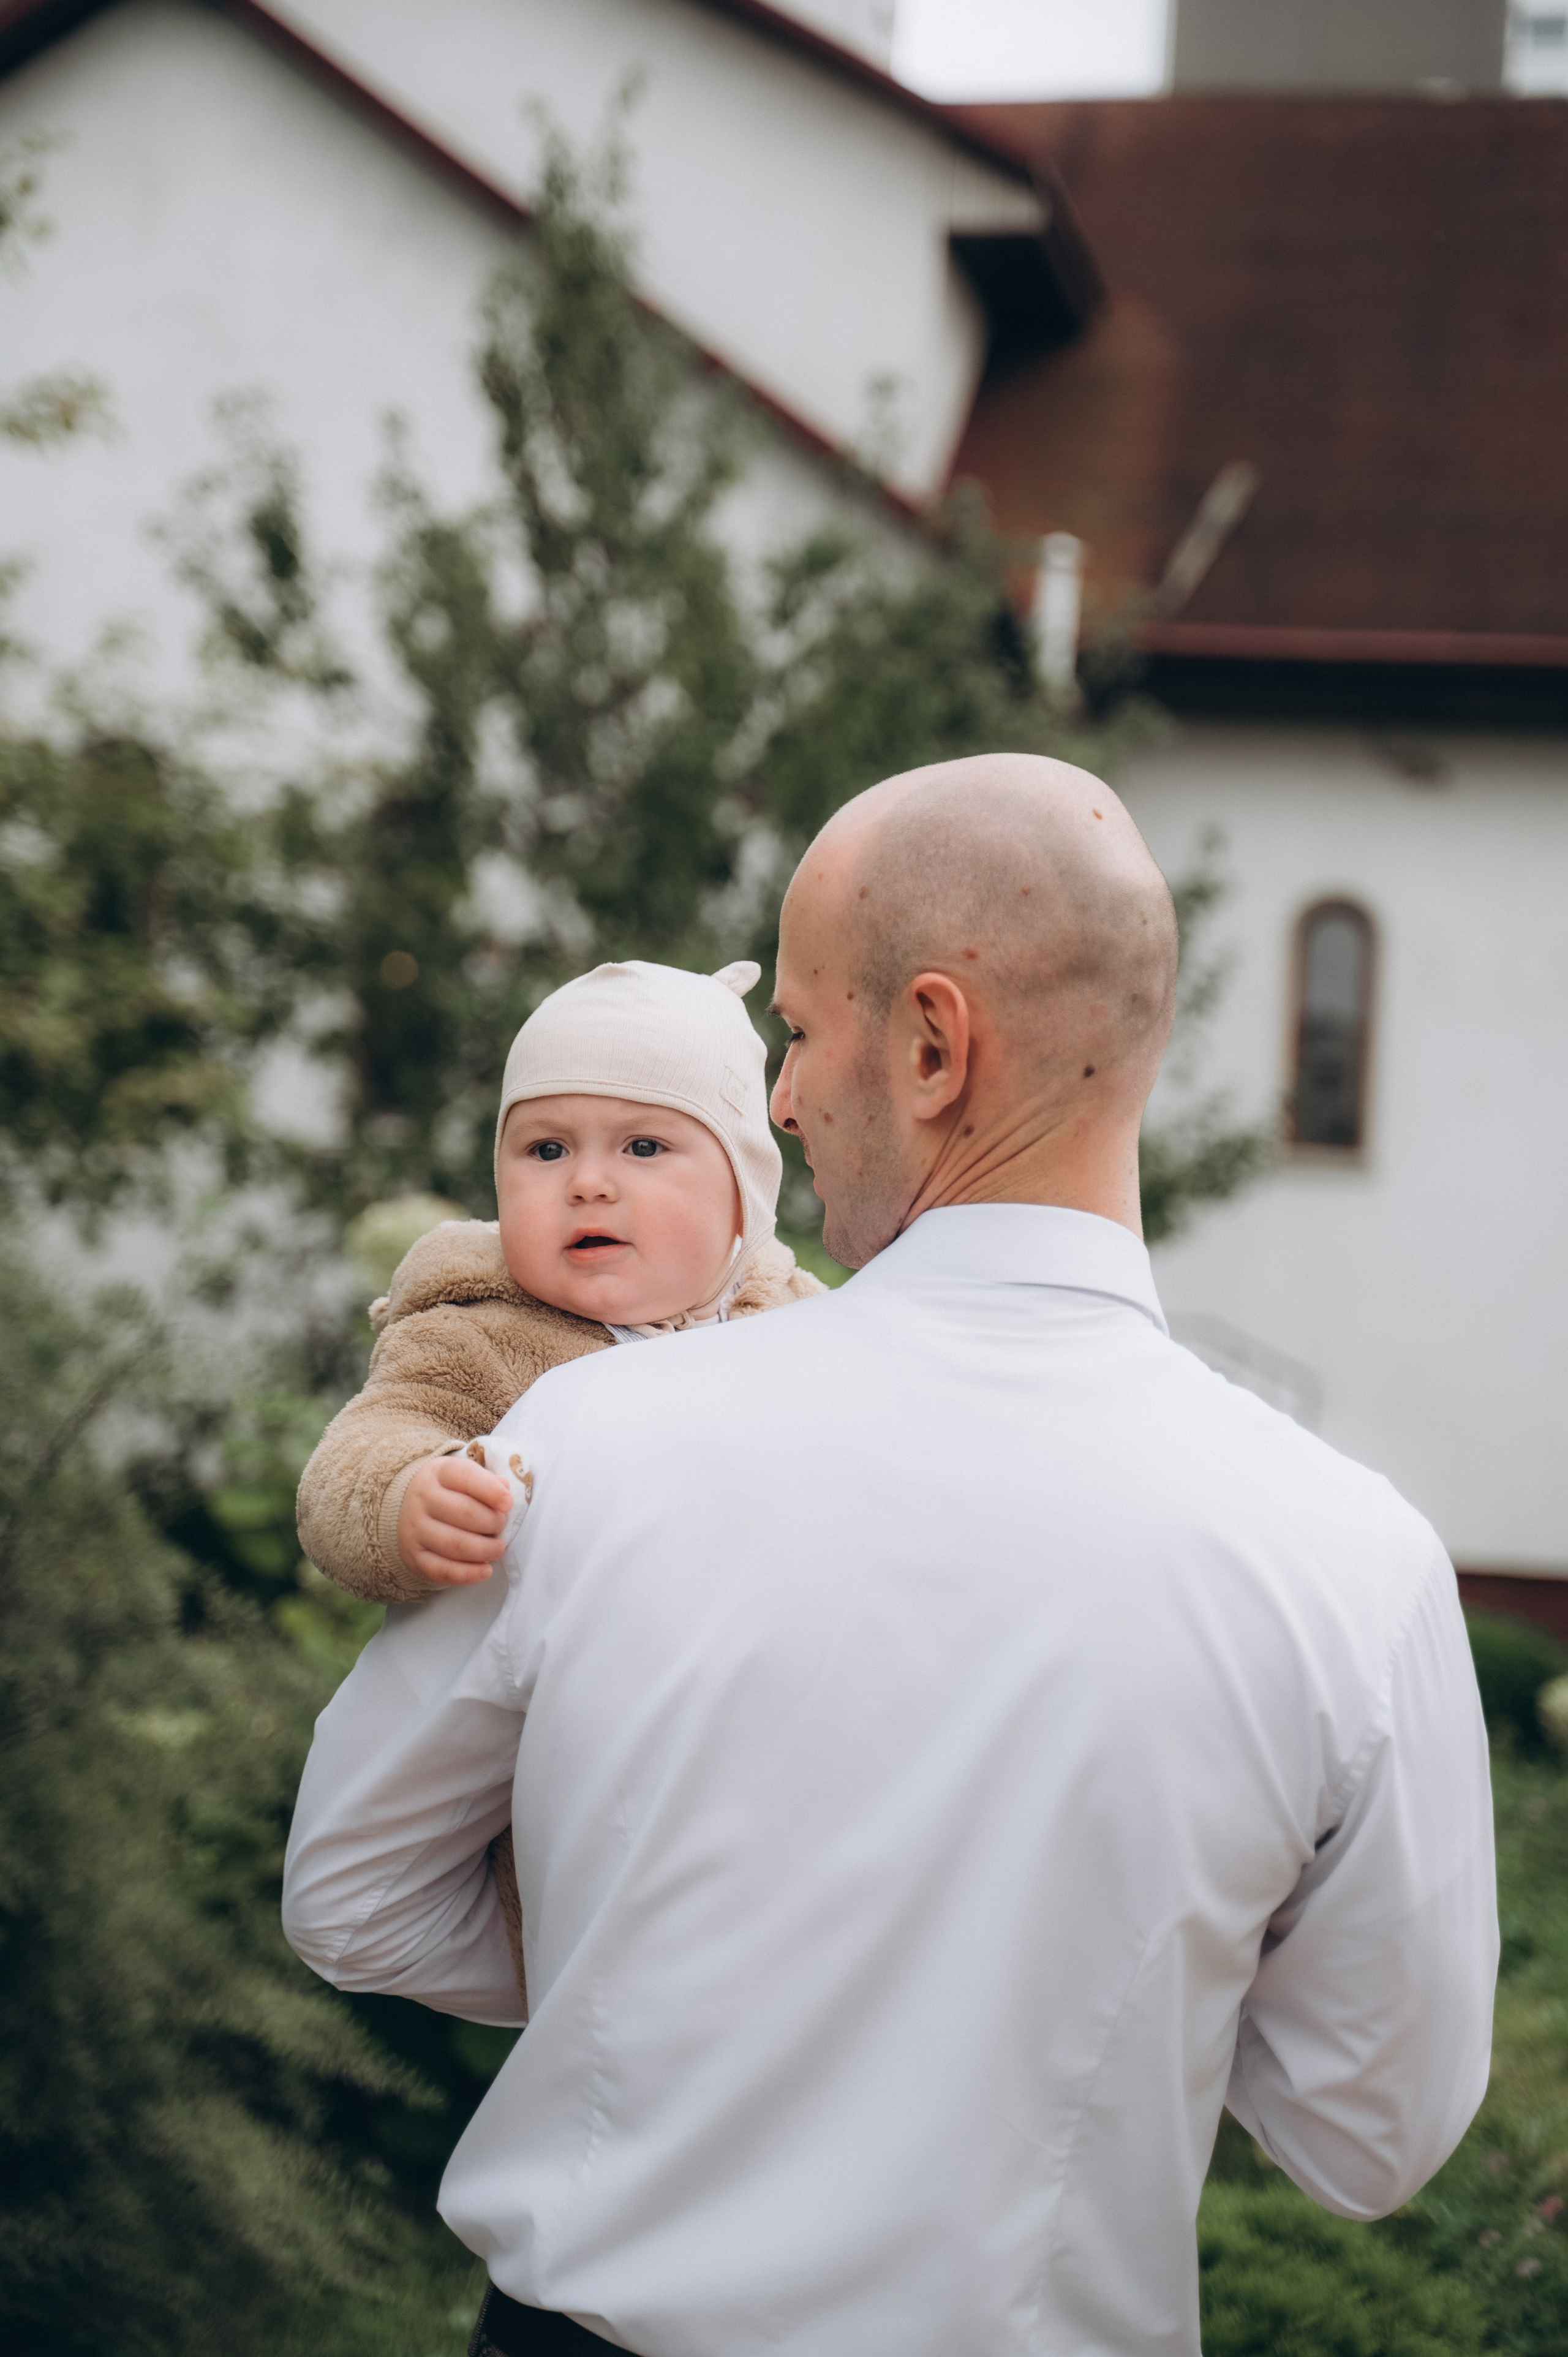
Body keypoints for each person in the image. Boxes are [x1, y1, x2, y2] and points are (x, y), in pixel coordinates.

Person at [284, 753, 1498, 2357]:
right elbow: (1374, 2137)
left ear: (931, 1045)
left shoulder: (591, 1445)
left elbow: (355, 1897)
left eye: (795, 1030)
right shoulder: (1359, 1564)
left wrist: (668, 1960)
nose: (777, 1099)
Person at [293, 956, 821, 1993]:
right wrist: (411, 1495)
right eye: (544, 1148)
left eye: (644, 1144)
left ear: (744, 1193)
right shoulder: (479, 1335)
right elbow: (355, 1456)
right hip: (585, 1831)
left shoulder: (802, 1331)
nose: (587, 1179)